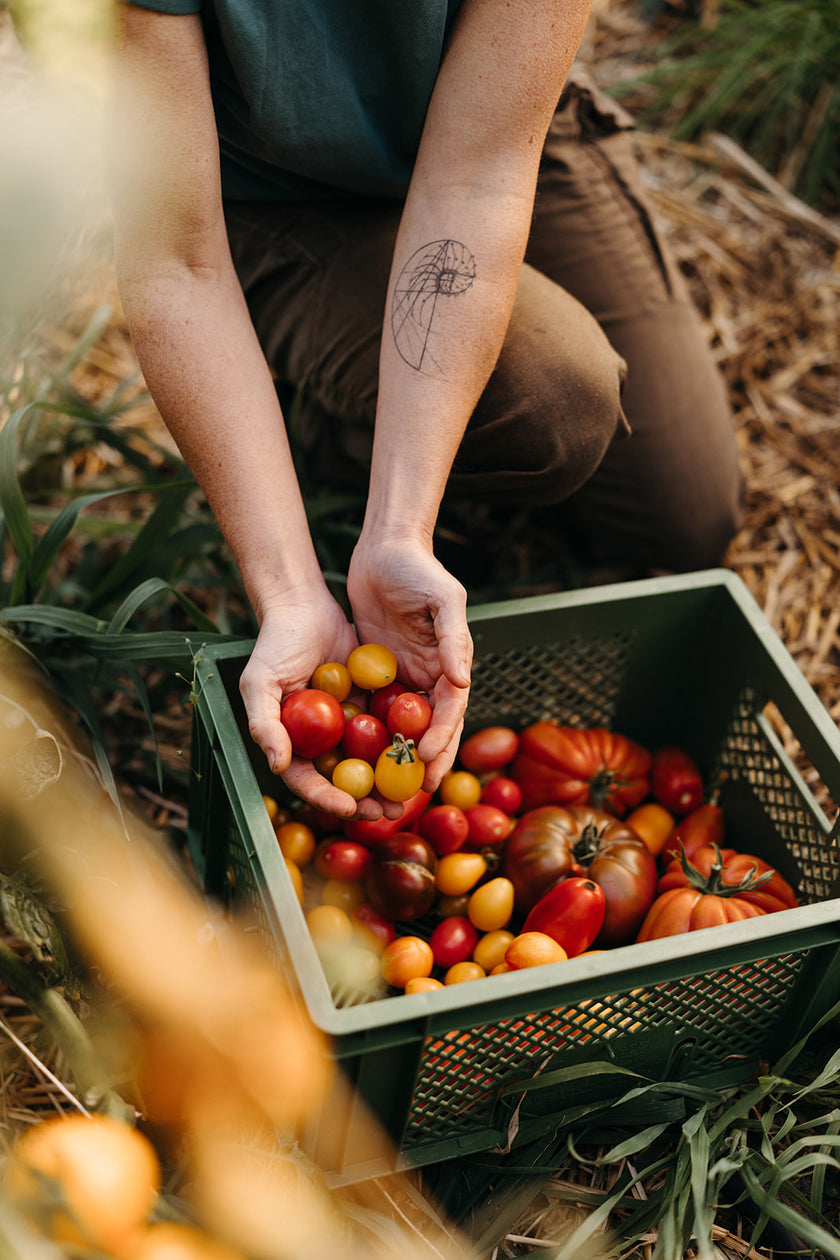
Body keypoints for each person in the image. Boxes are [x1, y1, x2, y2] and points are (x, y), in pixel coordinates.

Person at [109, 0, 742, 822]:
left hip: (483, 120)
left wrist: (400, 527)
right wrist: (291, 587)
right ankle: (302, 420)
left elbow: (476, 177)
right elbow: (175, 259)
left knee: (683, 514)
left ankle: (355, 428)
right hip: (259, 187)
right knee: (553, 399)